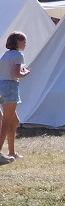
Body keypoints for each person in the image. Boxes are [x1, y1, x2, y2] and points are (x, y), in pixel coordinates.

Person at [0, 32, 30, 162]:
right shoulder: (18, 55)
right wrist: (25, 72)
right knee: (6, 122)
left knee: (14, 120)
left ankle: (11, 152)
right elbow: (17, 74)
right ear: (17, 42)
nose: (25, 44)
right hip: (11, 87)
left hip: (2, 85)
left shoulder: (5, 55)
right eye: (23, 42)